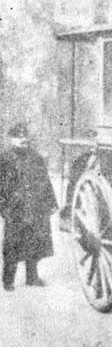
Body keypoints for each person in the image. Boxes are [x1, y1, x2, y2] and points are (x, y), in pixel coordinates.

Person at [0, 123, 57, 290]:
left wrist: (50, 202)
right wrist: (3, 206)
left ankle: (32, 277)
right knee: (12, 245)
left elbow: (45, 181)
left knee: (34, 243)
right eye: (18, 137)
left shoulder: (36, 157)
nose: (22, 139)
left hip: (35, 207)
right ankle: (8, 280)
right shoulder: (4, 159)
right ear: (11, 139)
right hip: (15, 209)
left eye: (25, 136)